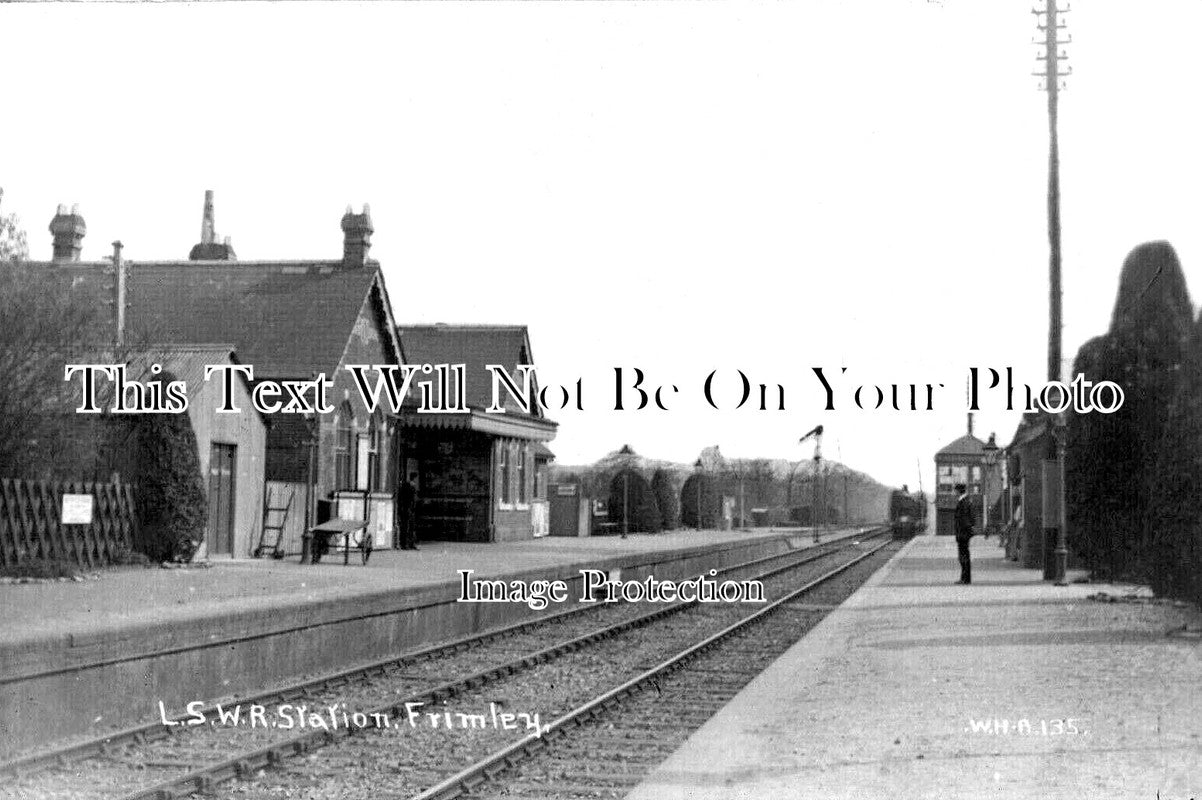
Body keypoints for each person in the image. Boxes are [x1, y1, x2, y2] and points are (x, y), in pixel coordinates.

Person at [954, 482, 975, 584]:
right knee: (963, 556)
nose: (954, 492)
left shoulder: (964, 502)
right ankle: (964, 578)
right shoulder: (966, 501)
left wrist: (963, 532)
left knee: (963, 556)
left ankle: (965, 579)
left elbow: (965, 519)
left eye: (955, 490)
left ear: (958, 491)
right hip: (964, 533)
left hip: (963, 534)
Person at [396, 473, 419, 551]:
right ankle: (407, 544)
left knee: (409, 527)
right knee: (407, 527)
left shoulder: (409, 486)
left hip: (409, 509)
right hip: (408, 509)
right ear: (414, 478)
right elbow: (411, 499)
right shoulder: (409, 486)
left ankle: (409, 544)